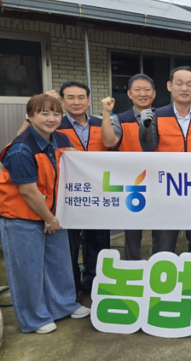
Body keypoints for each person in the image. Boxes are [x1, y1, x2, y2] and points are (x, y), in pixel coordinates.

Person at [0, 94, 90, 334]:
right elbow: (28, 191)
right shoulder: (20, 149)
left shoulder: (60, 139)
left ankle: (64, 305)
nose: (51, 119)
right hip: (22, 218)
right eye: (44, 113)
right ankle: (35, 318)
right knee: (28, 270)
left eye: (56, 114)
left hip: (53, 215)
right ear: (30, 116)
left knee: (59, 264)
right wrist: (49, 219)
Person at [139, 66, 191, 254]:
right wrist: (145, 128)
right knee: (164, 245)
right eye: (179, 83)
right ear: (169, 86)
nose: (184, 88)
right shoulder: (157, 115)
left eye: (189, 84)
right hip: (166, 190)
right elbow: (149, 148)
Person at [57, 81, 110, 296]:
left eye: (81, 97)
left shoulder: (102, 123)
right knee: (69, 243)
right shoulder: (55, 125)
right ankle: (71, 288)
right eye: (70, 97)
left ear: (88, 101)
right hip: (67, 194)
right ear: (62, 101)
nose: (76, 102)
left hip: (99, 192)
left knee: (98, 240)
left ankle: (94, 284)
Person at [101, 74, 156, 260]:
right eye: (137, 90)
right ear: (129, 94)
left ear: (154, 93)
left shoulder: (162, 116)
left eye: (147, 90)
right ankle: (133, 266)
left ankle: (159, 264)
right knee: (133, 230)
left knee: (161, 228)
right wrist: (106, 114)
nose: (143, 94)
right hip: (133, 183)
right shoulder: (121, 119)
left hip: (159, 181)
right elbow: (109, 142)